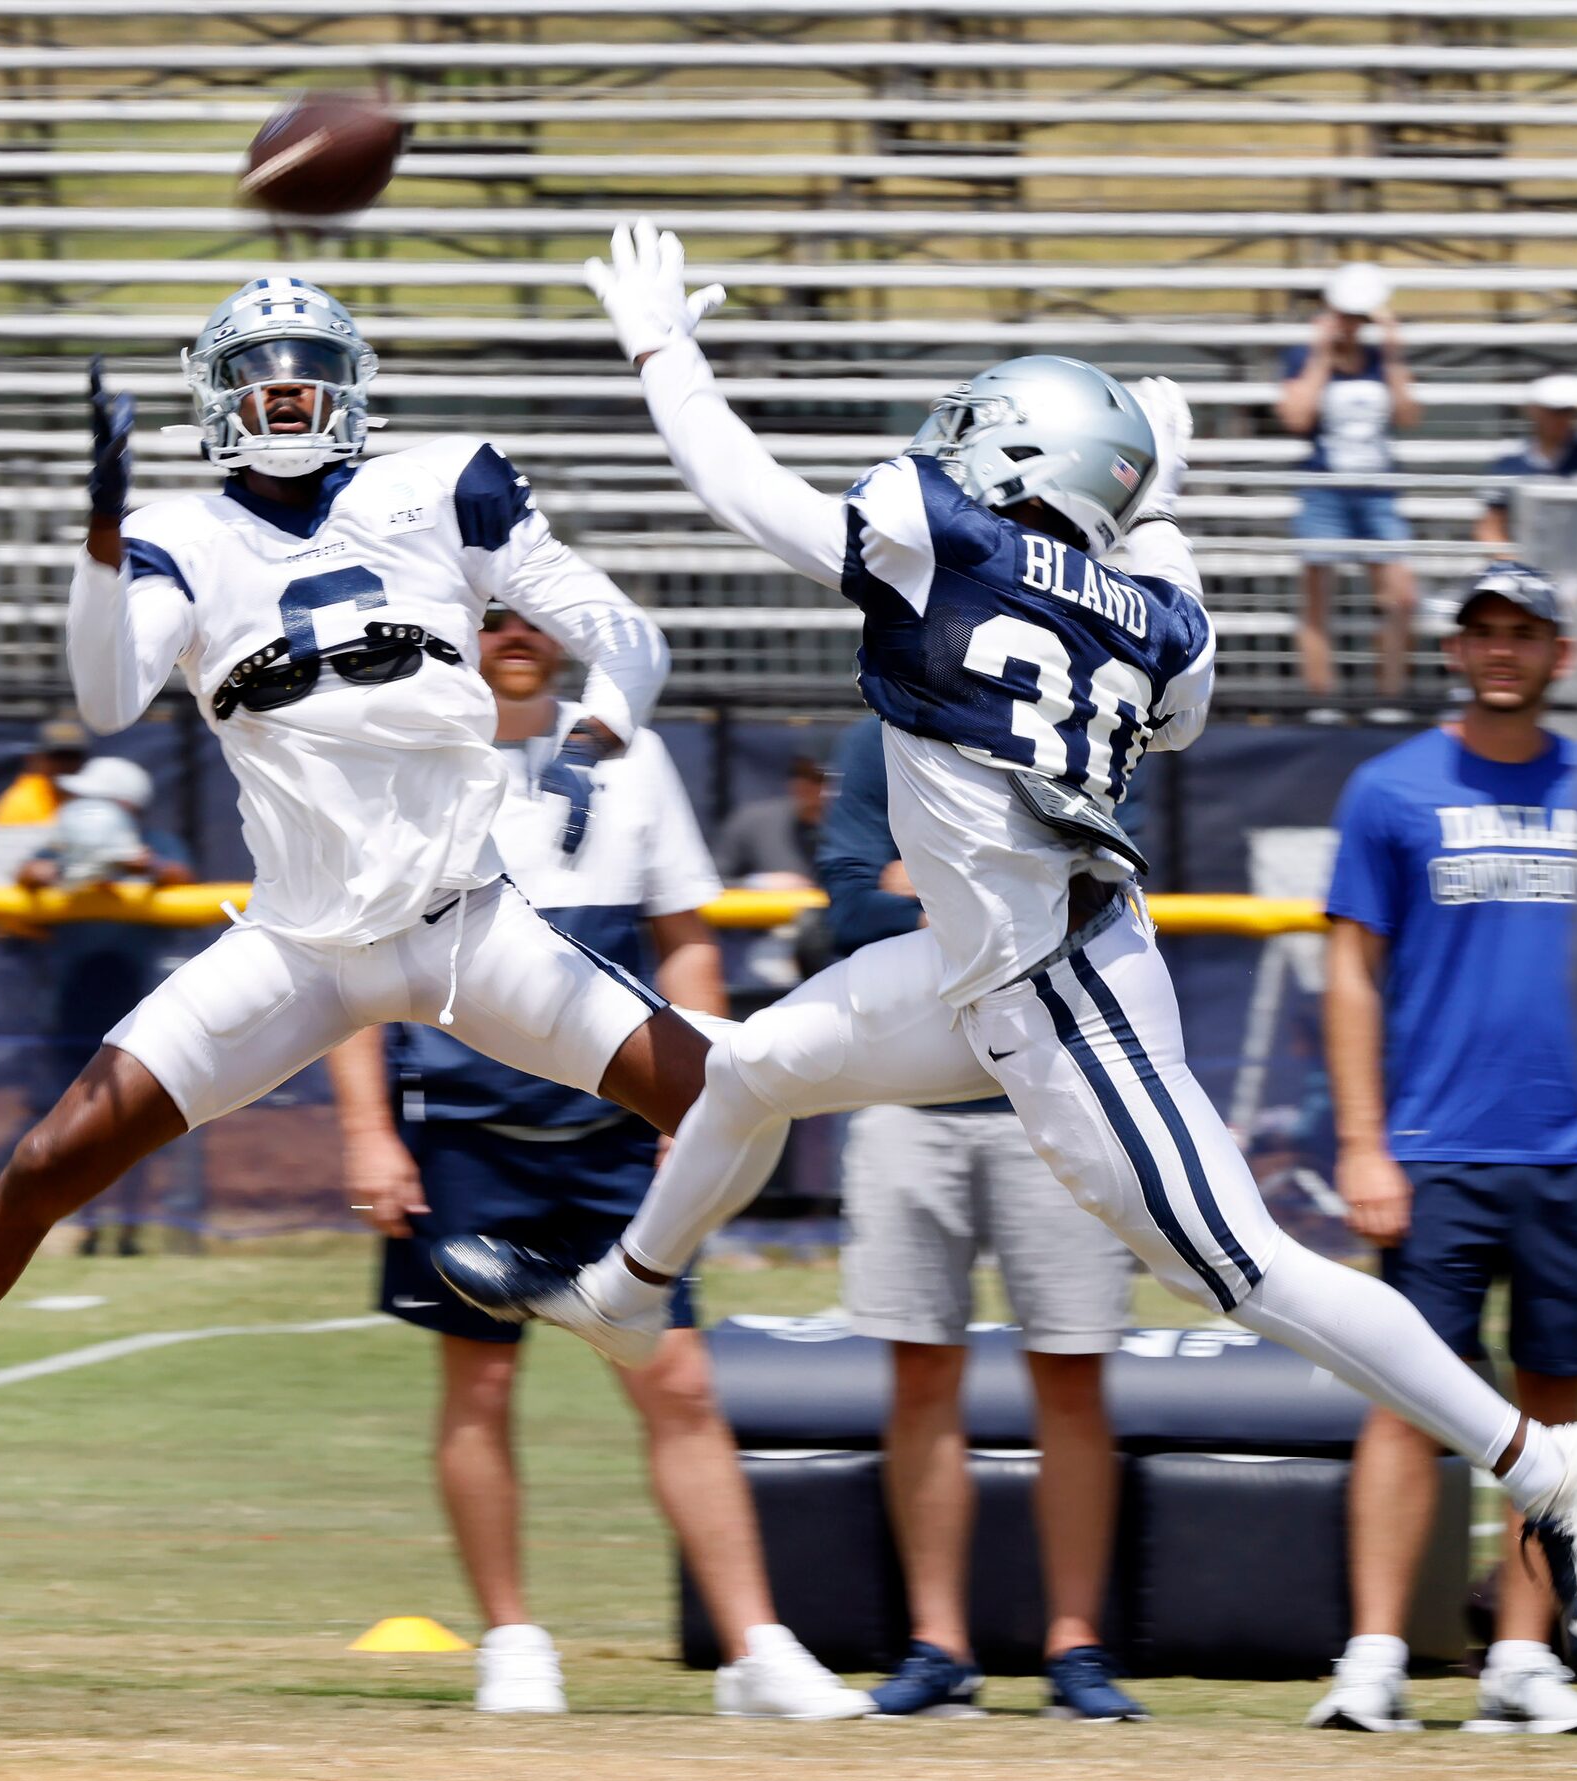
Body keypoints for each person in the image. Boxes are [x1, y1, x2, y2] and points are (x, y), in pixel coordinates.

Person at [440, 222, 1577, 1685]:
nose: (950, 445)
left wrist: (661, 352)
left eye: (984, 429)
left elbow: (742, 491)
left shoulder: (942, 544)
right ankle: (627, 1290)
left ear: (1021, 465)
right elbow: (1171, 659)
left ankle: (1537, 1455)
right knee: (745, 1067)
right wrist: (1160, 489)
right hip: (984, 963)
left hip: (1061, 996)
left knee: (1246, 1269)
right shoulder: (1165, 618)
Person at [0, 275, 712, 1533]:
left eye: (306, 370)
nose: (285, 393)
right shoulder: (180, 535)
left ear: (350, 385)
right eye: (260, 374)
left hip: (468, 928)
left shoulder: (443, 483)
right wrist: (93, 539)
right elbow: (105, 694)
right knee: (46, 1163)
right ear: (219, 400)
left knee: (729, 1094)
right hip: (299, 950)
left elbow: (623, 630)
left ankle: (615, 1290)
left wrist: (593, 737)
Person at [325, 607, 865, 1719]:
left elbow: (685, 940)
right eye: (487, 618)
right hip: (465, 1128)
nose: (512, 635)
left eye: (532, 616)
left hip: (617, 1133)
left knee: (677, 1382)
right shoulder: (401, 756)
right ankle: (513, 1641)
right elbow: (342, 961)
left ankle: (754, 1652)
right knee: (478, 1383)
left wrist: (705, 1090)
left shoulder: (633, 754)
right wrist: (368, 1130)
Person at [1312, 563, 1577, 1735]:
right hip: (1432, 1146)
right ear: (1454, 651)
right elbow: (1349, 973)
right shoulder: (1388, 788)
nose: (1502, 651)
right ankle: (1374, 1656)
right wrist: (1360, 1143)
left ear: (1561, 654)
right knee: (1407, 1404)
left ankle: (1518, 1658)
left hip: (1576, 1149)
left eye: (1525, 633)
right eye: (1482, 633)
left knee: (1554, 1418)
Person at [819, 715, 1144, 1721]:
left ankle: (1075, 1648)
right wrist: (993, 909)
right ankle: (937, 1645)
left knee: (1072, 1373)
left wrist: (920, 897)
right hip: (905, 1099)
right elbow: (842, 910)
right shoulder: (873, 744)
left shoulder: (1063, 734)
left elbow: (1096, 902)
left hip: (1053, 1094)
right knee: (920, 1373)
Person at [16, 754, 194, 1258]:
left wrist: (136, 862)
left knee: (132, 1127)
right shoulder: (67, 837)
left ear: (121, 803)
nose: (77, 805)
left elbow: (179, 873)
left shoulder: (153, 844)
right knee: (72, 1126)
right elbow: (27, 872)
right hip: (71, 1007)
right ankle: (88, 1226)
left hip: (136, 1010)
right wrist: (57, 868)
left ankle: (129, 1229)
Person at [1277, 262, 1421, 711]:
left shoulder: (1380, 360)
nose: (1353, 325)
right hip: (1325, 487)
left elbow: (1408, 416)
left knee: (1401, 596)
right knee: (1319, 598)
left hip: (1377, 489)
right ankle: (1323, 704)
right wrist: (1321, 356)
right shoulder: (1303, 358)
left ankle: (1388, 700)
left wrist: (1395, 355)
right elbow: (1295, 418)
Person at [1475, 375, 1577, 547]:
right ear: (1534, 410)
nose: (1562, 419)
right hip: (1528, 563)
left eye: (1569, 411)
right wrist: (1510, 561)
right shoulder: (1510, 459)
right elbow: (1490, 526)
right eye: (1554, 411)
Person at [713, 742, 827, 889]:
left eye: (818, 777)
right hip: (774, 911)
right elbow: (706, 883)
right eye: (798, 774)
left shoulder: (862, 829)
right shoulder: (753, 822)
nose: (805, 784)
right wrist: (756, 884)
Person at [0, 716, 92, 826]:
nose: (66, 763)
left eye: (74, 756)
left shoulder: (81, 795)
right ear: (36, 758)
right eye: (58, 756)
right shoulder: (22, 803)